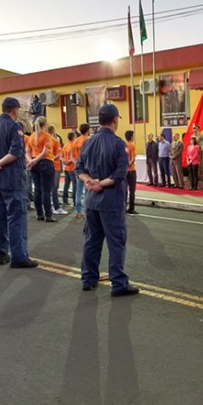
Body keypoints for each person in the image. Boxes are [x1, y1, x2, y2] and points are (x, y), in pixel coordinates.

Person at [76, 104, 139, 297]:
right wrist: (100, 184)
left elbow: (79, 169)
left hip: (92, 201)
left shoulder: (88, 142)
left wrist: (89, 181)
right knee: (116, 241)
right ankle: (118, 283)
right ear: (115, 120)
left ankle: (88, 278)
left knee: (91, 240)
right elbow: (120, 174)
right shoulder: (119, 144)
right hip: (110, 201)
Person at [0, 97, 38, 268]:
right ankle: (19, 256)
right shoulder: (15, 127)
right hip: (12, 179)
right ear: (15, 110)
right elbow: (15, 152)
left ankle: (1, 251)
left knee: (0, 216)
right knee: (16, 218)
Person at [26, 116, 58, 222]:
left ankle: (39, 214)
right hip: (46, 162)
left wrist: (31, 160)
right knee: (46, 190)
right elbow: (45, 152)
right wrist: (34, 161)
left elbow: (27, 151)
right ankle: (48, 215)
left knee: (37, 190)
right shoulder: (47, 136)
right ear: (45, 124)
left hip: (35, 163)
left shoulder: (32, 136)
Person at [72, 123, 91, 219]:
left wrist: (76, 163)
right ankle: (86, 209)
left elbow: (72, 155)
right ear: (88, 130)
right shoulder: (88, 141)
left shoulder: (75, 141)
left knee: (78, 190)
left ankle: (78, 210)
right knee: (87, 188)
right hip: (86, 167)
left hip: (78, 167)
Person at [47, 125, 67, 215]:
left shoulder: (44, 140)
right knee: (55, 187)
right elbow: (59, 155)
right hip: (55, 166)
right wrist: (51, 158)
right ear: (53, 131)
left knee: (47, 188)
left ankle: (49, 206)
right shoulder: (55, 141)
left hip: (47, 166)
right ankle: (56, 207)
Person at [61, 132, 76, 207]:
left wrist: (64, 161)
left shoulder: (65, 145)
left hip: (66, 167)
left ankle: (65, 199)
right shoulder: (73, 145)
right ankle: (74, 200)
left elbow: (62, 155)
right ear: (73, 137)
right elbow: (73, 157)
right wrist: (68, 161)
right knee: (74, 184)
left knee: (66, 184)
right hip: (72, 167)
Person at [125, 130, 138, 215]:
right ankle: (131, 208)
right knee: (132, 190)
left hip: (125, 171)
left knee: (124, 190)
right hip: (131, 170)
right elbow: (133, 158)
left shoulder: (124, 145)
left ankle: (123, 207)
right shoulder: (132, 146)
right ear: (131, 136)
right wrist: (129, 165)